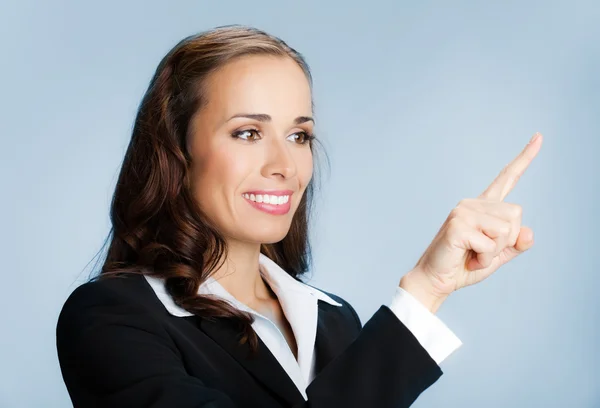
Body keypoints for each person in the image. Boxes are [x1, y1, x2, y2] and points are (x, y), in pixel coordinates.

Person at [56, 24, 542, 408]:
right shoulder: (112, 319)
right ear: (176, 150)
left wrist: (430, 292)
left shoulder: (333, 319)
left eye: (299, 136)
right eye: (248, 133)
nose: (284, 167)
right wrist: (421, 295)